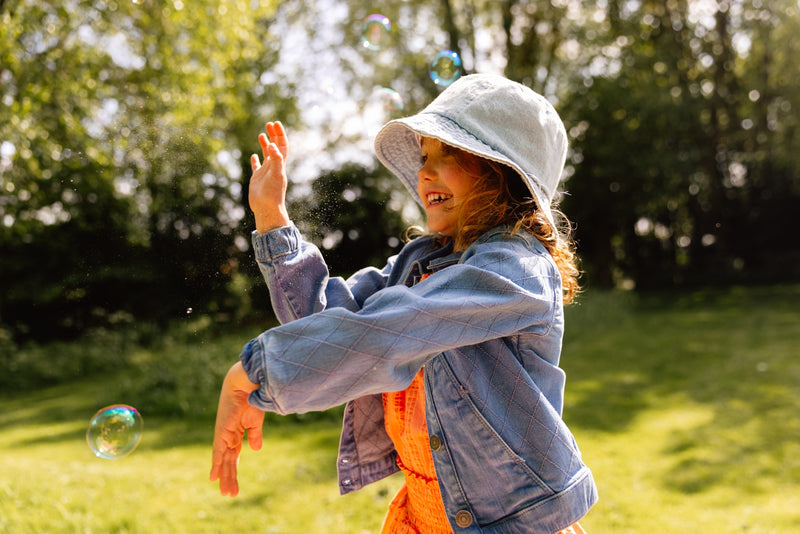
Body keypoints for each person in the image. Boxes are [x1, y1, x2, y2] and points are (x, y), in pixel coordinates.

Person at [210, 73, 598, 534]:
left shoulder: (516, 271)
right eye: (424, 155)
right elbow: (328, 319)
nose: (424, 172)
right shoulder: (419, 265)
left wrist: (261, 370)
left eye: (449, 153)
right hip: (426, 515)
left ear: (503, 176)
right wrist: (273, 221)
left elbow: (395, 327)